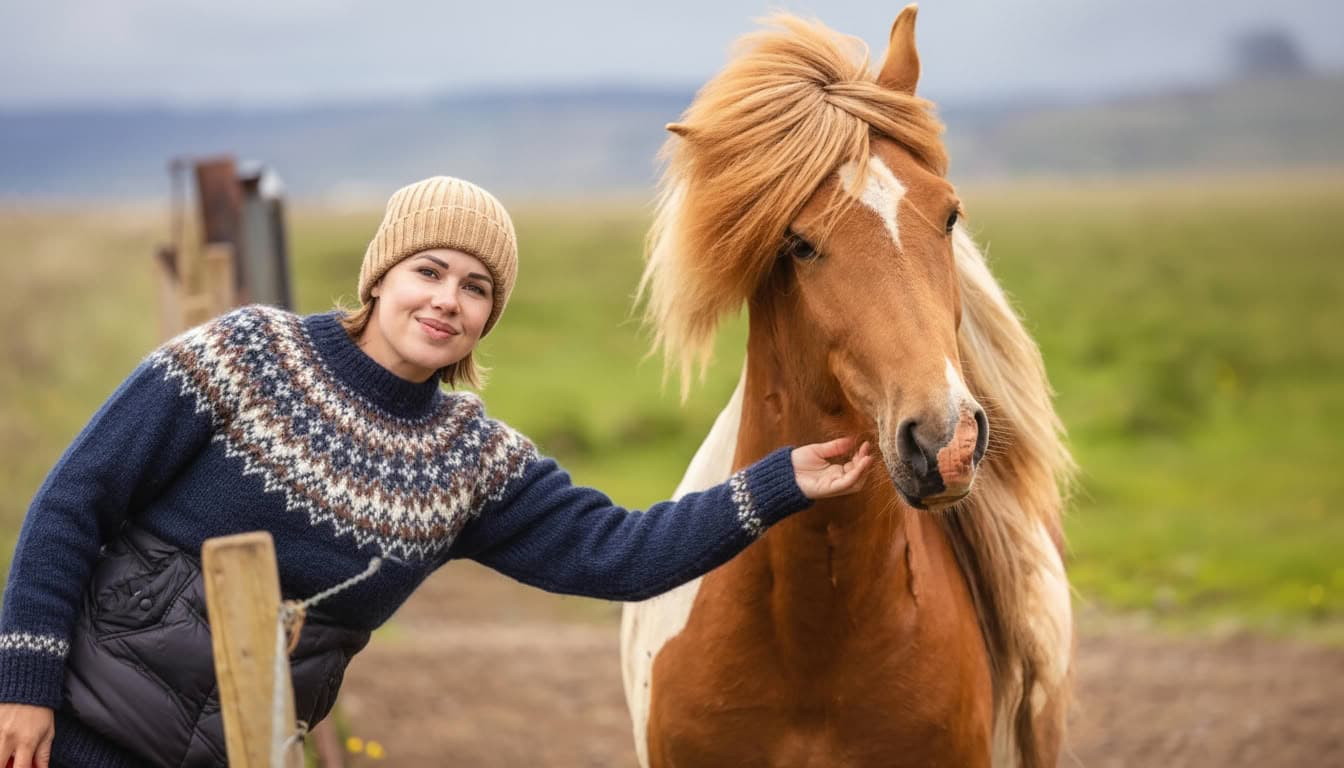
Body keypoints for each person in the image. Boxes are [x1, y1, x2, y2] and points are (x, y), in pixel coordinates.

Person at [0, 176, 873, 768]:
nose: (447, 300)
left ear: (488, 318)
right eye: (429, 270)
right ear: (381, 277)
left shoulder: (470, 461)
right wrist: (25, 687)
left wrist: (779, 483)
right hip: (74, 731)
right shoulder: (244, 353)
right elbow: (74, 502)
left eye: (477, 288)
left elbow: (623, 553)